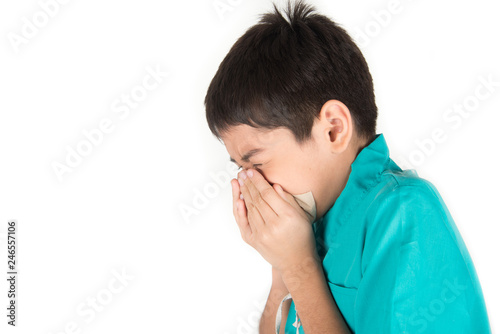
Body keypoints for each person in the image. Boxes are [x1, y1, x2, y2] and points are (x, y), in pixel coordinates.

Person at [204, 0, 491, 332]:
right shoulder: (312, 225)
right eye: (240, 168)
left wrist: (299, 267)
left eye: (257, 162)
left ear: (333, 129)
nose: (251, 184)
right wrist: (283, 271)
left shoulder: (403, 211)